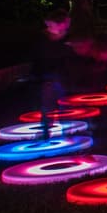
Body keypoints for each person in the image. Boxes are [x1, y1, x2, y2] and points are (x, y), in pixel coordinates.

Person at [33, 9, 73, 138]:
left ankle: (66, 133)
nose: (68, 24)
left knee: (64, 106)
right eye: (66, 22)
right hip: (48, 78)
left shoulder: (66, 37)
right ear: (58, 23)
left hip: (62, 77)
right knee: (48, 107)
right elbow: (43, 58)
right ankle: (45, 134)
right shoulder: (43, 39)